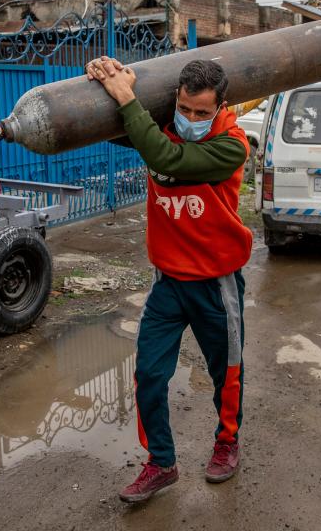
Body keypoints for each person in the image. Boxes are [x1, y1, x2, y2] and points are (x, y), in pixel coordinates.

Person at [85, 56, 253, 503]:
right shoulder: (163, 126)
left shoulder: (231, 145)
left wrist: (125, 95)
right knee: (149, 373)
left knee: (227, 373)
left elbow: (166, 157)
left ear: (220, 107)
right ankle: (161, 463)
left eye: (202, 112)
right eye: (185, 109)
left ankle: (226, 442)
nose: (192, 119)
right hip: (168, 282)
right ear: (175, 101)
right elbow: (117, 127)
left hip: (216, 283)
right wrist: (105, 77)